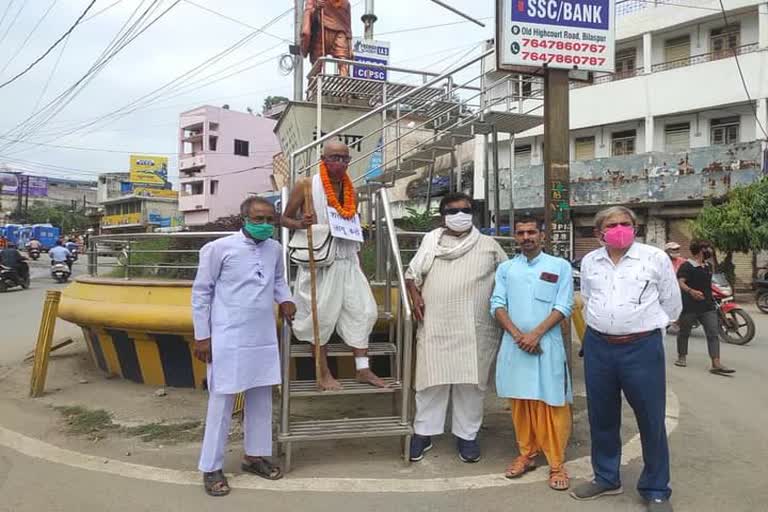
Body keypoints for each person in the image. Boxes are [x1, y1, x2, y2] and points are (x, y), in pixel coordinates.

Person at [571, 206, 682, 512]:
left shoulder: (655, 258)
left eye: (626, 224)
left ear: (636, 227)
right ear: (598, 233)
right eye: (612, 225)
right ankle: (606, 477)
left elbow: (672, 304)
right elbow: (590, 299)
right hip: (598, 347)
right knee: (602, 417)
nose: (620, 229)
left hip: (641, 348)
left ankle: (656, 487)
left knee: (650, 418)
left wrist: (644, 328)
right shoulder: (591, 261)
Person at [192, 196, 295, 497]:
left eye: (269, 220)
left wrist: (286, 298)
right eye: (258, 219)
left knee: (261, 398)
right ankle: (211, 467)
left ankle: (254, 456)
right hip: (228, 337)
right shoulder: (218, 249)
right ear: (244, 219)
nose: (264, 225)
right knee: (221, 402)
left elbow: (277, 281)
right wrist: (202, 335)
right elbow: (201, 293)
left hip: (262, 337)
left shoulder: (275, 249)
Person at [405, 192, 507, 463]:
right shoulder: (431, 241)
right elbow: (412, 274)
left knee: (471, 385)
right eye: (453, 211)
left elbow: (509, 278)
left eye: (465, 210)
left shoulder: (489, 245)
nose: (460, 215)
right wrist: (415, 295)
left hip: (475, 327)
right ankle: (423, 433)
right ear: (443, 216)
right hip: (436, 323)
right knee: (430, 382)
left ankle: (467, 436)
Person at [282, 140, 385, 390]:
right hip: (319, 263)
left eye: (344, 158)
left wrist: (360, 266)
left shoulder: (352, 191)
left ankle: (362, 369)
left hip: (348, 261)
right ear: (323, 158)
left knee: (365, 311)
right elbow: (283, 219)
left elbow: (352, 229)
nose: (339, 163)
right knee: (321, 319)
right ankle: (323, 372)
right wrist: (300, 223)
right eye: (334, 158)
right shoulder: (305, 185)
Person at [491, 216, 574, 491]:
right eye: (520, 233)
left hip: (546, 345)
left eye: (531, 232)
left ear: (542, 235)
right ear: (515, 237)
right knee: (521, 404)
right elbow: (497, 304)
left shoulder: (559, 266)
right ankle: (526, 454)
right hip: (515, 346)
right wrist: (518, 336)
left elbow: (564, 306)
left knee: (552, 404)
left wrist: (535, 334)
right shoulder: (506, 268)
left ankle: (556, 463)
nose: (526, 237)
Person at [675, 240, 735, 375]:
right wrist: (691, 291)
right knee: (684, 332)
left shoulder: (708, 266)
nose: (710, 251)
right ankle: (682, 357)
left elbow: (708, 284)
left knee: (713, 333)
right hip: (689, 306)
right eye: (707, 248)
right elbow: (680, 282)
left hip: (707, 306)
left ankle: (716, 363)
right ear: (701, 250)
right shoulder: (687, 266)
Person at [301, 0, 352, 76]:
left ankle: (344, 84)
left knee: (342, 63)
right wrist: (316, 8)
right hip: (321, 30)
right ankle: (315, 85)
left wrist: (350, 44)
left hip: (339, 32)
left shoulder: (345, 3)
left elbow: (347, 23)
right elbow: (309, 13)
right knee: (318, 66)